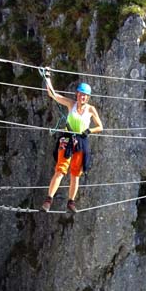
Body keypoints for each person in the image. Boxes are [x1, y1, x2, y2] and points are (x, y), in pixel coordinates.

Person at [41, 74, 103, 213]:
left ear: (88, 97)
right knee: (60, 170)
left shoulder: (91, 109)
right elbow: (52, 94)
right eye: (81, 94)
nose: (83, 97)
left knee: (75, 174)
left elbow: (100, 127)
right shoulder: (71, 104)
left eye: (85, 95)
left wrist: (90, 131)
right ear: (77, 94)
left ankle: (71, 202)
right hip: (67, 138)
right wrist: (48, 77)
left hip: (81, 140)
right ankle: (48, 200)